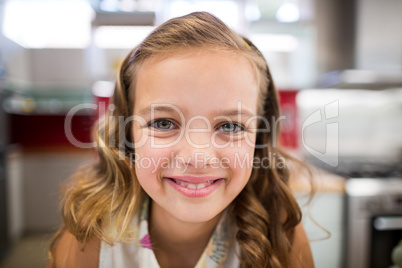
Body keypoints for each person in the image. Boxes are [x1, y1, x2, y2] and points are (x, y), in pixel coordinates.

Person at [48, 11, 314, 268]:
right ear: (128, 134)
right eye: (164, 123)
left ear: (258, 138)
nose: (196, 157)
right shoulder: (90, 241)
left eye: (231, 126)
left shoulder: (281, 235)